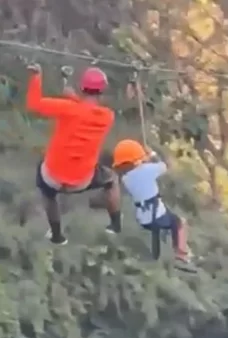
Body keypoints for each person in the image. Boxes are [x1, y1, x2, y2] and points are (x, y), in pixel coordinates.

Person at [25, 64, 122, 245]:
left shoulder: (67, 108)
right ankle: (115, 226)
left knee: (47, 190)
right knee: (112, 179)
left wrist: (36, 76)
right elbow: (87, 110)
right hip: (82, 180)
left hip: (52, 176)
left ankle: (57, 236)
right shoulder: (107, 116)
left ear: (81, 87)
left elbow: (34, 104)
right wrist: (73, 99)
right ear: (102, 91)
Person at [112, 139, 193, 265]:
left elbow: (140, 173)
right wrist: (153, 154)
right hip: (157, 215)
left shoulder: (125, 179)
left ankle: (168, 249)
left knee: (170, 220)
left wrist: (144, 161)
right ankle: (181, 254)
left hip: (143, 219)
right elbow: (166, 166)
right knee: (180, 222)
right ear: (137, 159)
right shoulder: (147, 170)